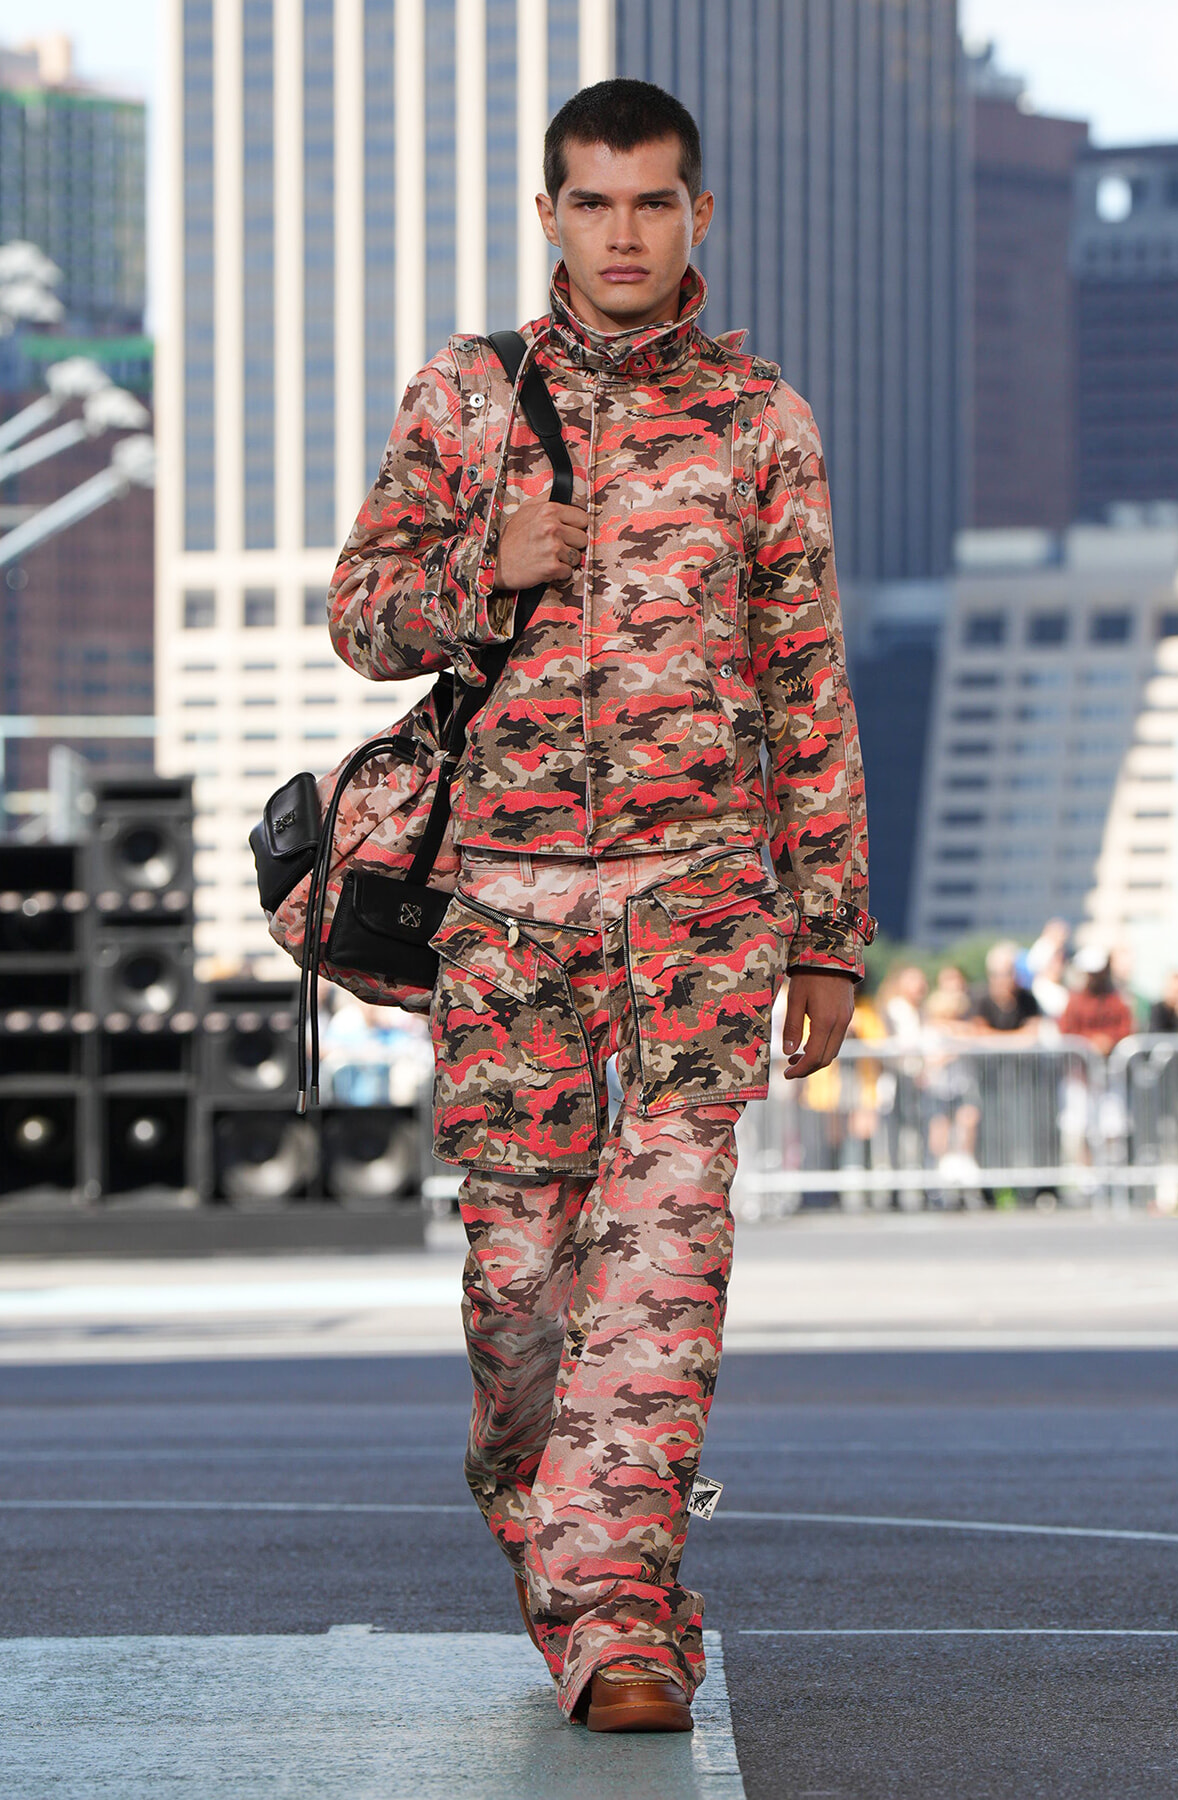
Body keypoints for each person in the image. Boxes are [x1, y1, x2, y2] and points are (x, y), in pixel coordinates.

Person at [328, 81, 874, 1732]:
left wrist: (829, 929)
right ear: (550, 216)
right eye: (593, 202)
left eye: (652, 203)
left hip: (701, 899)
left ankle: (623, 1619)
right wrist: (481, 568)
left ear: (698, 215)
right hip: (502, 914)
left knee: (663, 1269)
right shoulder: (467, 395)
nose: (622, 233)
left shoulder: (761, 422)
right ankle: (554, 1530)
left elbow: (806, 680)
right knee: (521, 1294)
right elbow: (361, 619)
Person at [1058, 946, 1134, 1055]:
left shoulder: (1116, 1001)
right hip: (1081, 1060)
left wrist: (1108, 1040)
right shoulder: (1075, 1002)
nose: (1094, 978)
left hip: (1111, 1059)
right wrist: (1089, 1041)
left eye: (1097, 974)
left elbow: (1126, 1029)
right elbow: (1067, 1030)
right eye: (1091, 974)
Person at [974, 940, 1040, 1035]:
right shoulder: (980, 1000)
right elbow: (979, 1032)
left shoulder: (1028, 1000)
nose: (1013, 977)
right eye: (1008, 973)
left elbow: (1032, 1031)